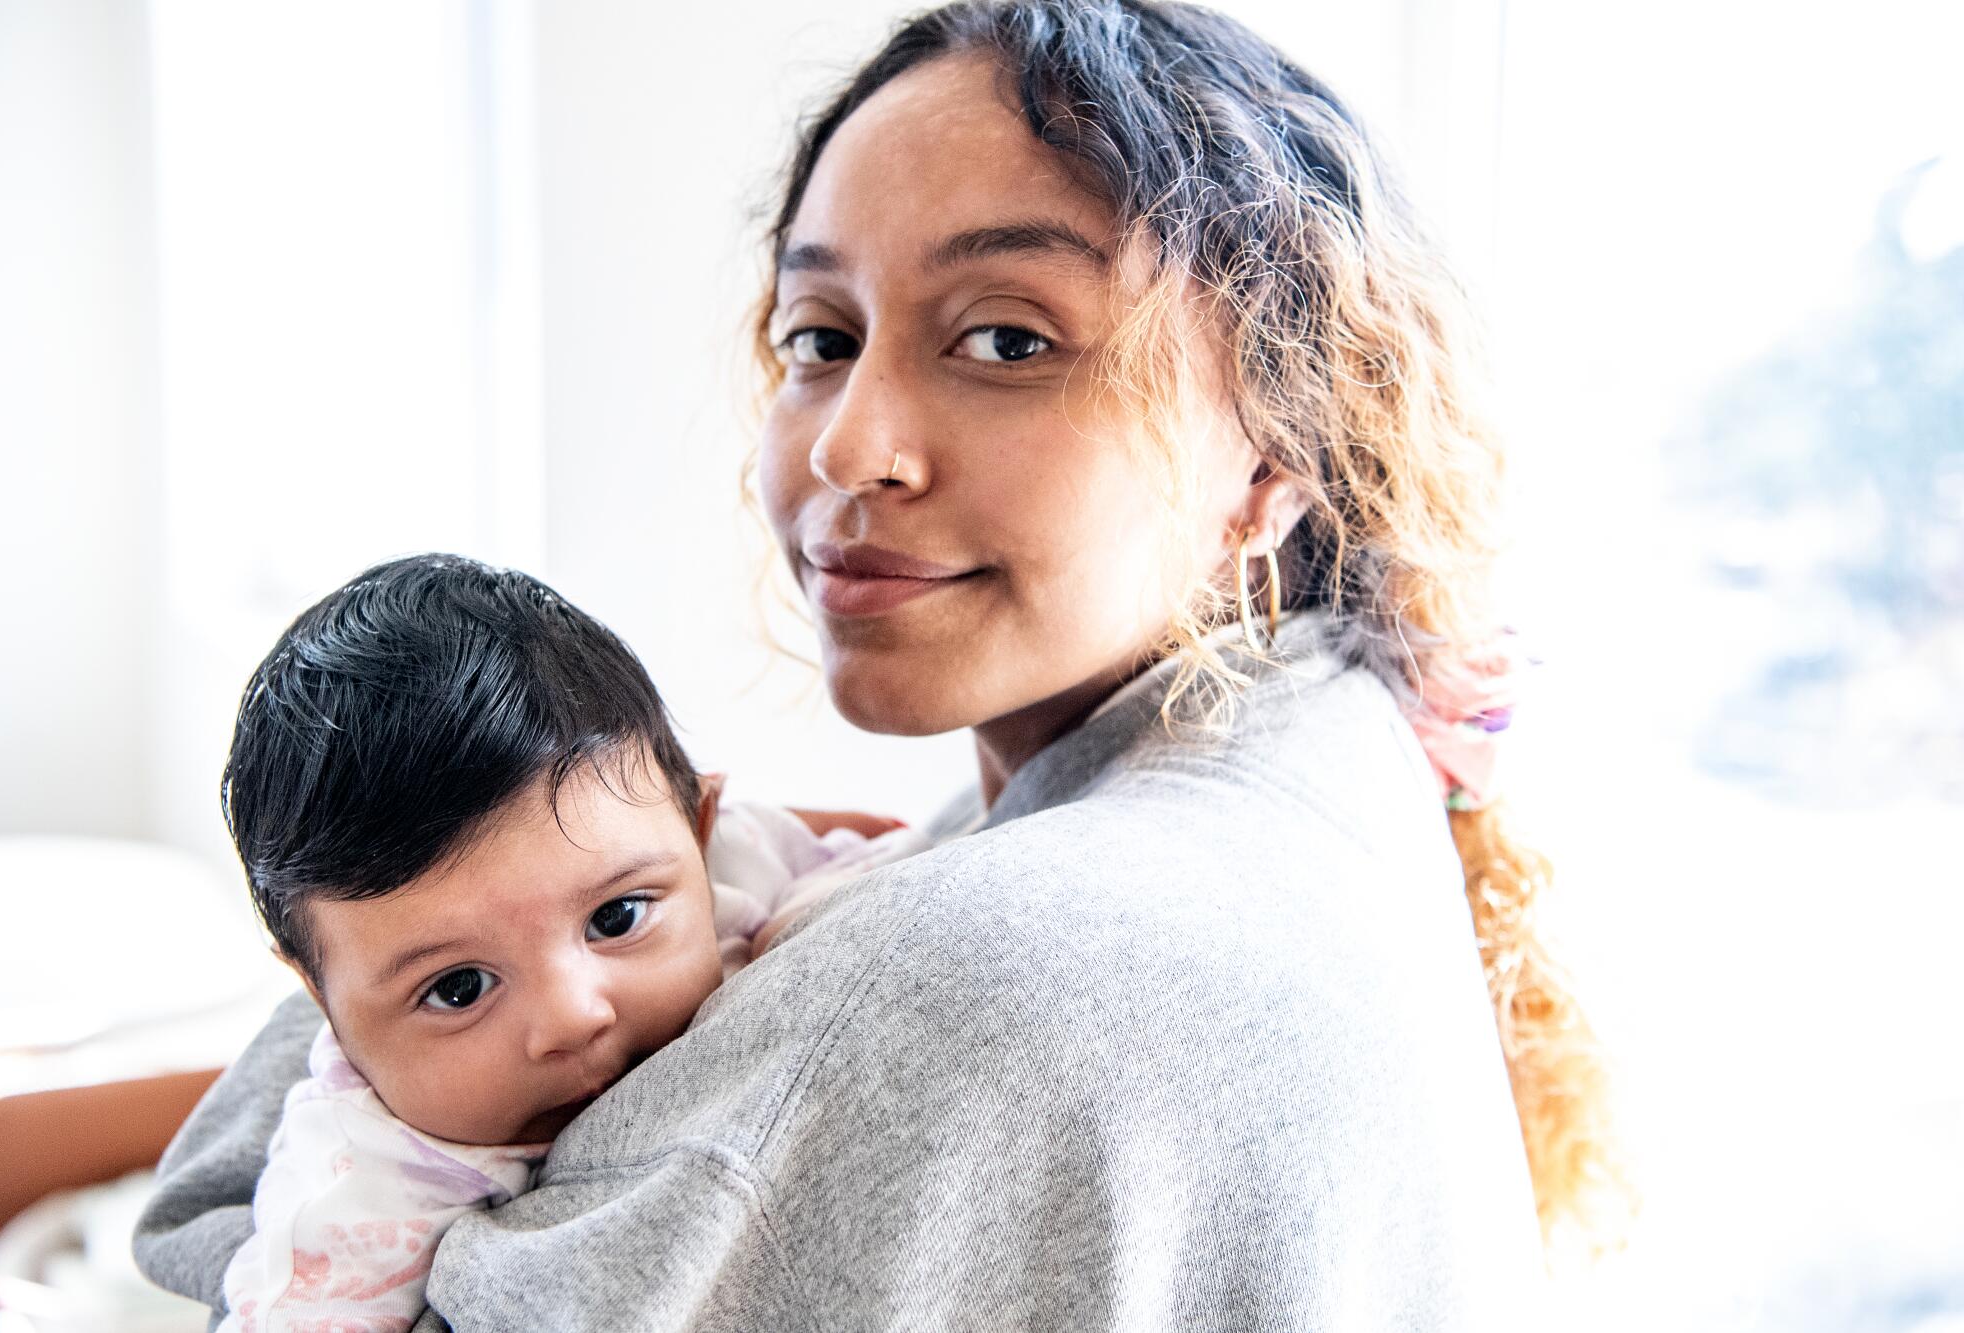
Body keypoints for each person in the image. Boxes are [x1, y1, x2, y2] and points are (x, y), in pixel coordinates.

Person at [137, 2, 1629, 1326]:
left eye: (1004, 341)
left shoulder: (963, 972)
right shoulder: (1320, 753)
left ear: (1272, 456)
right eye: (819, 333)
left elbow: (290, 1249)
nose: (849, 442)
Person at [203, 554, 924, 1331]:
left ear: (699, 833)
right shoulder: (362, 1192)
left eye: (615, 919)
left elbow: (883, 864)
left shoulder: (735, 863)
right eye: (458, 987)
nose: (573, 1016)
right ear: (323, 1002)